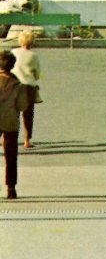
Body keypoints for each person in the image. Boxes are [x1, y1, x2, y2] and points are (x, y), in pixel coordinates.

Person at [0, 50, 28, 199]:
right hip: (10, 120)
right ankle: (11, 187)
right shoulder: (18, 84)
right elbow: (22, 106)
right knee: (11, 156)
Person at [12, 31, 41, 149]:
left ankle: (7, 137)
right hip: (28, 87)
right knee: (28, 114)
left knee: (12, 114)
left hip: (13, 86)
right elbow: (37, 75)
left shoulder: (13, 52)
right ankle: (26, 140)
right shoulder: (33, 56)